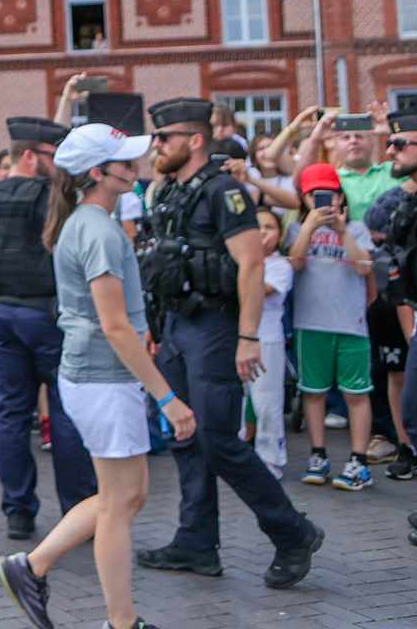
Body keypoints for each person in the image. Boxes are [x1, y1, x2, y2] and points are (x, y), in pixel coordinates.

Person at [0, 122, 197, 629]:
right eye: (125, 163)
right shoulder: (99, 229)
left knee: (126, 496)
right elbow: (114, 326)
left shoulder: (90, 222)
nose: (136, 167)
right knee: (119, 504)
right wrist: (167, 397)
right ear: (96, 173)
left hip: (99, 376)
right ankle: (120, 622)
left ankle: (32, 566)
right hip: (103, 378)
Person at [134, 98, 323, 589]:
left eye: (165, 137)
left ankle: (292, 531)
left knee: (218, 440)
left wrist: (247, 337)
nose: (158, 145)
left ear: (194, 140)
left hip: (216, 328)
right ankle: (195, 541)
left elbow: (251, 264)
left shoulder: (225, 192)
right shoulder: (171, 190)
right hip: (177, 326)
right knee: (185, 437)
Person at [0, 115, 95, 540]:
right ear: (33, 157)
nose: (61, 166)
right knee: (65, 413)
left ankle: (18, 511)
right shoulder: (52, 197)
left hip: (4, 315)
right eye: (54, 157)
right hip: (50, 317)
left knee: (12, 417)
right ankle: (77, 510)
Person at [288, 163, 377, 491]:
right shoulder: (297, 231)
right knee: (313, 393)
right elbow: (295, 263)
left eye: (330, 193)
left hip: (351, 325)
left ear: (341, 196)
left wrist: (342, 232)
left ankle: (358, 461)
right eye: (315, 194)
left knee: (356, 394)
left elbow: (365, 267)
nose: (324, 200)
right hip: (311, 324)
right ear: (304, 199)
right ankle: (318, 455)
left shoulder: (356, 228)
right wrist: (309, 228)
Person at [365, 109, 417, 481]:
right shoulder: (403, 203)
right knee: (413, 412)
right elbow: (377, 222)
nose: (389, 152)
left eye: (399, 144)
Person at [243, 207, 294, 479]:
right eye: (258, 227)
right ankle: (239, 455)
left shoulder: (280, 266)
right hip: (237, 339)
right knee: (239, 403)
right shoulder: (238, 261)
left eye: (270, 228)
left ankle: (271, 459)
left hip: (268, 342)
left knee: (266, 404)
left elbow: (260, 290)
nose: (263, 233)